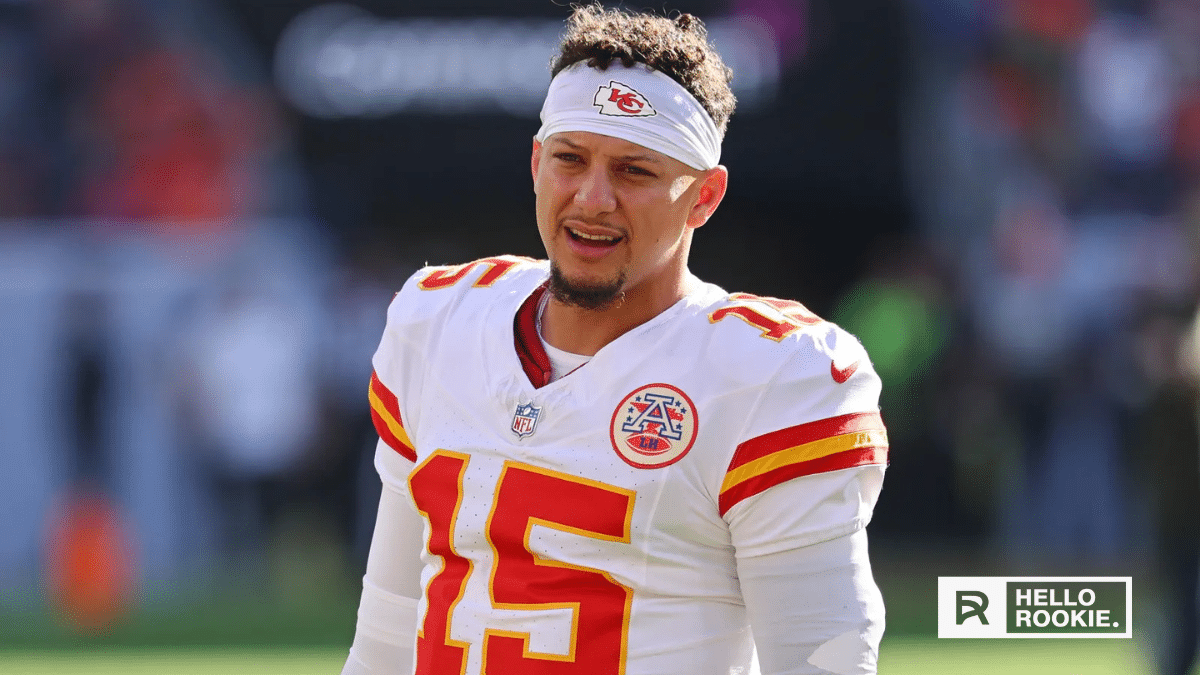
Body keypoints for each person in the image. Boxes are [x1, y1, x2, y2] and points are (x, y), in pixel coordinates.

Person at [342, 5, 889, 674]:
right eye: (571, 159)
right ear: (538, 161)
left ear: (704, 198)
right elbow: (389, 627)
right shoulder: (438, 320)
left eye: (635, 171)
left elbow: (821, 657)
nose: (593, 198)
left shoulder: (771, 374)